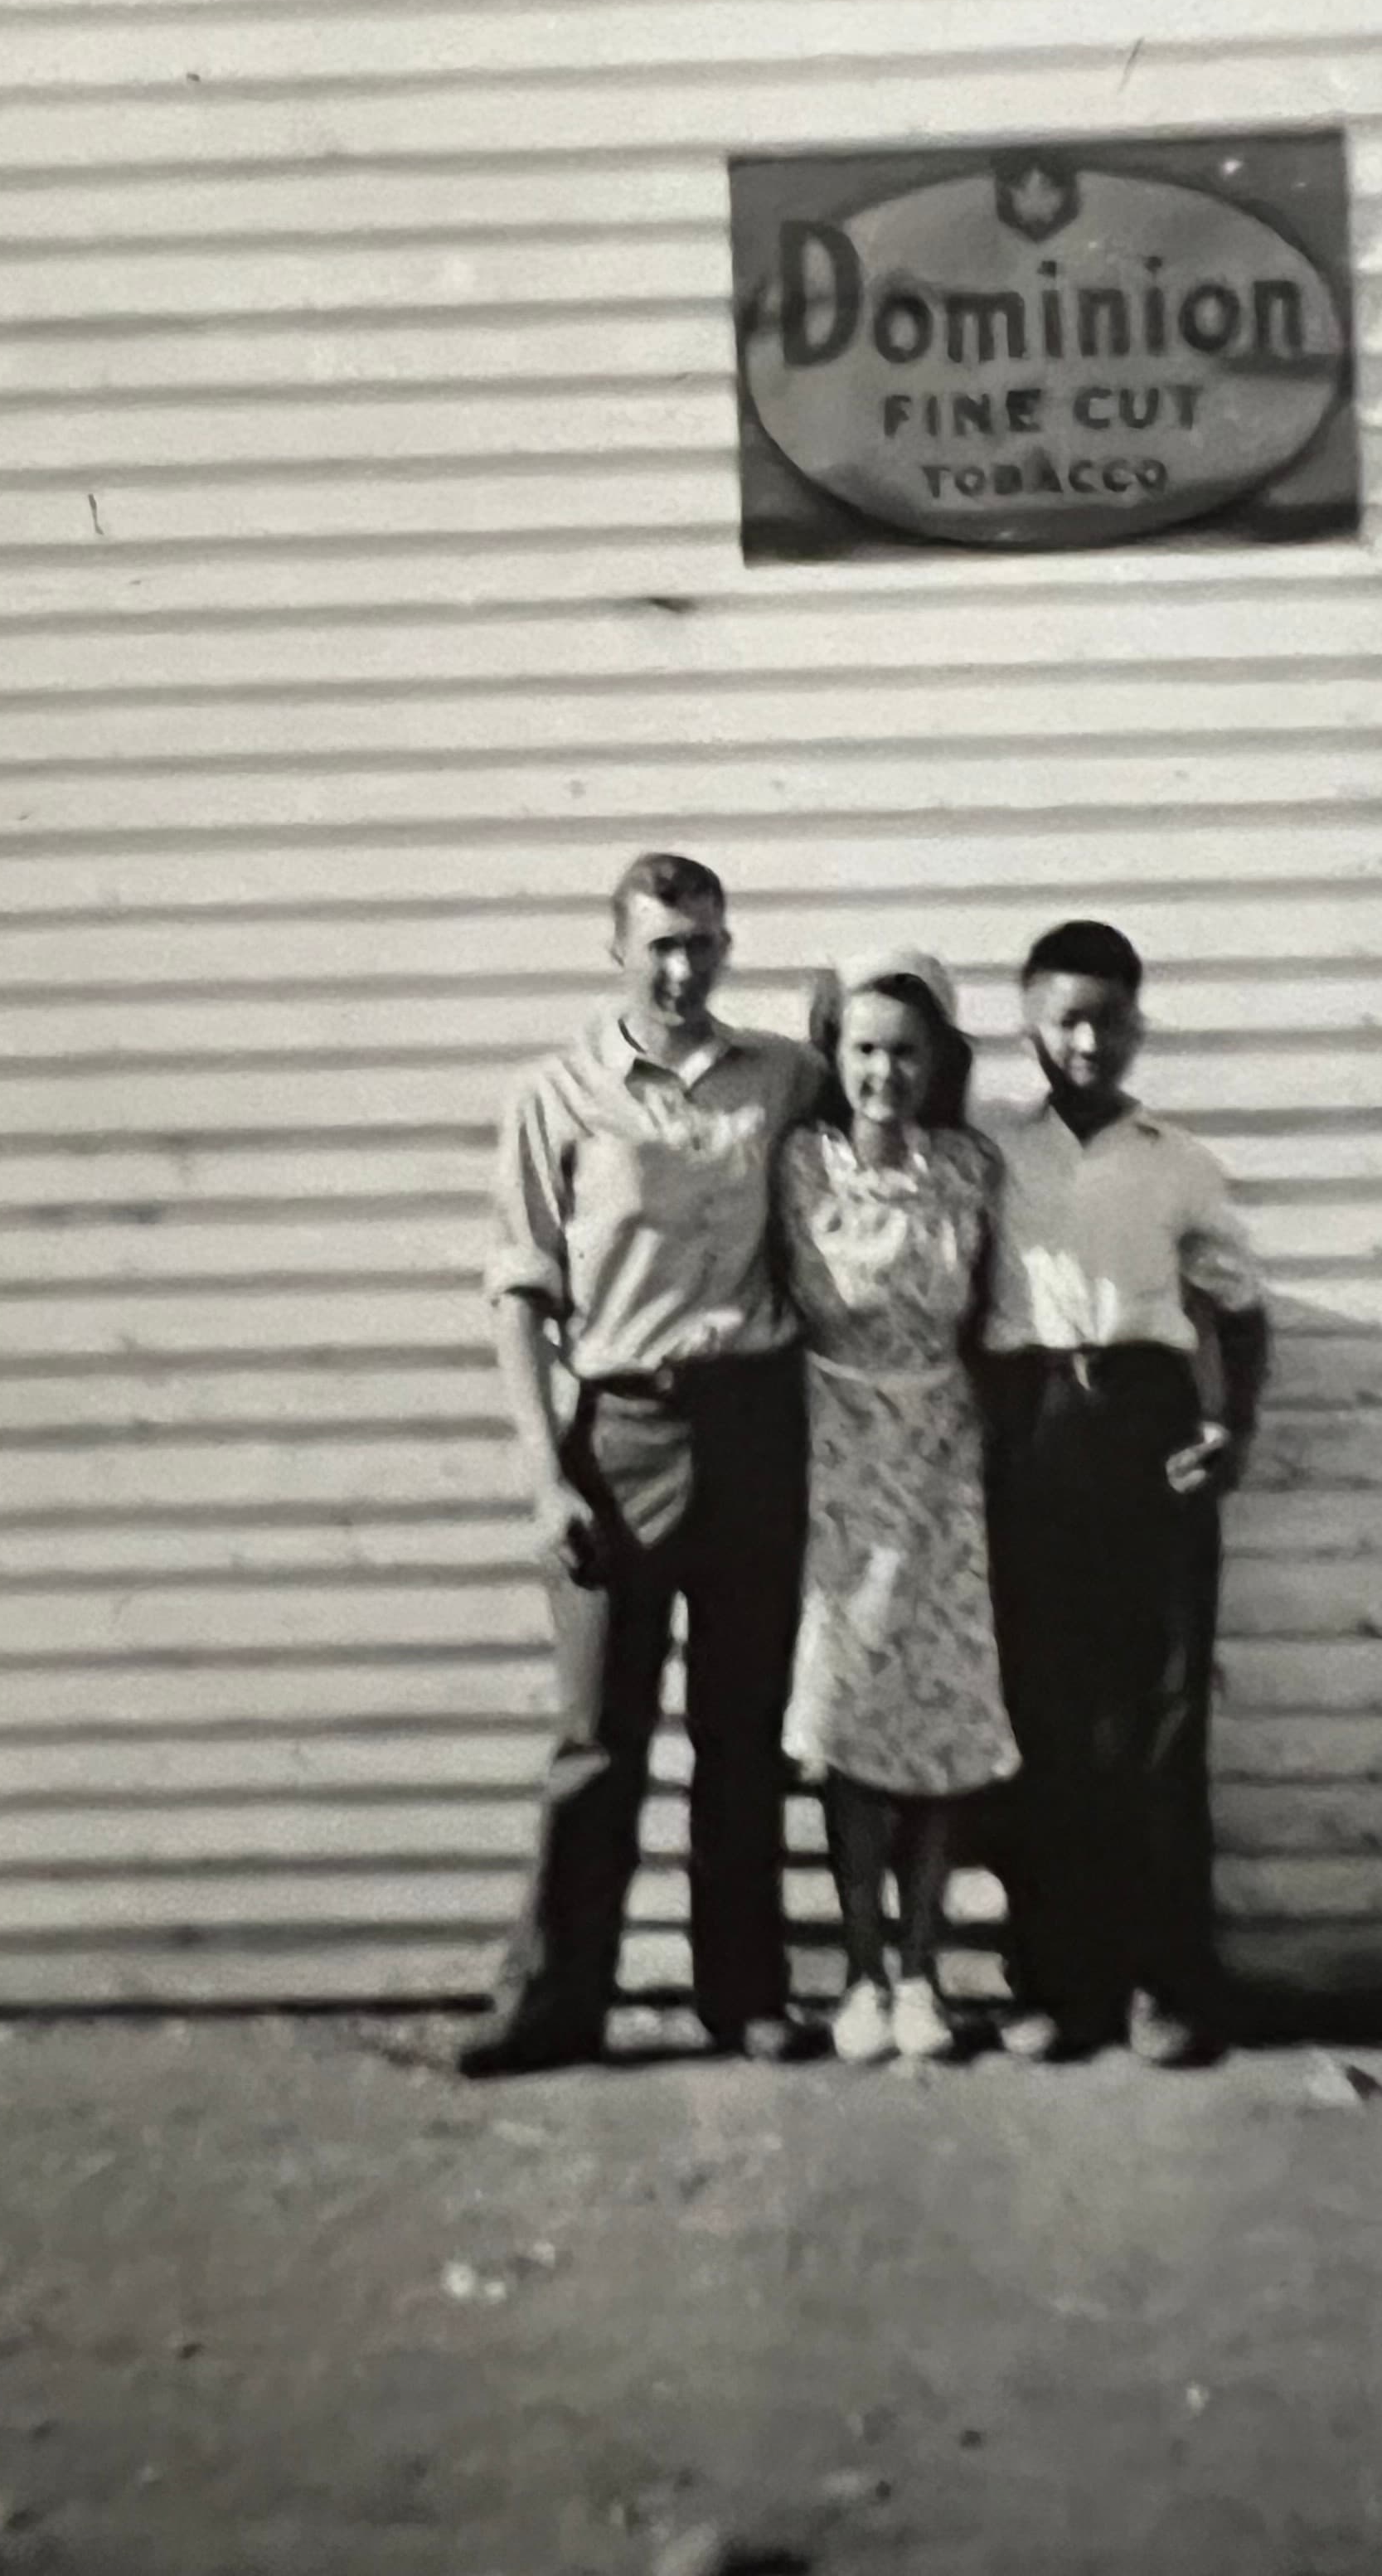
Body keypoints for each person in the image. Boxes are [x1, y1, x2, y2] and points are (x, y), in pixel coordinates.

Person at [461, 852, 825, 2076]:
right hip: (619, 1430)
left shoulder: (785, 1078)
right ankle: (555, 2004)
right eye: (662, 943)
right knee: (598, 1741)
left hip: (757, 1429)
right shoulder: (556, 1096)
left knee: (742, 1730)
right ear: (614, 945)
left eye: (706, 942)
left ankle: (747, 1994)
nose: (685, 968)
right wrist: (543, 1475)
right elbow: (519, 1299)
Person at [979, 919, 1271, 2068]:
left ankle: (1167, 1983)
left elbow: (1238, 1308)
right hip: (1029, 1428)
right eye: (1066, 1019)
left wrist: (1229, 1427)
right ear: (1029, 1026)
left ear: (1139, 1024)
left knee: (1159, 1717)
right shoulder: (987, 1148)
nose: (1088, 1041)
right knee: (1044, 1719)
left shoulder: (1177, 1160)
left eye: (1109, 1019)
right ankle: (1059, 1983)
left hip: (1146, 1429)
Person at [776, 951, 1019, 2067]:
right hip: (835, 1458)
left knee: (942, 1711)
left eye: (907, 1051)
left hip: (942, 1457)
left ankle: (923, 1970)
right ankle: (861, 1972)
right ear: (836, 1055)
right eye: (866, 1049)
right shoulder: (798, 1169)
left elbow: (999, 1316)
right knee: (853, 1721)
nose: (887, 1071)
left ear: (939, 1063)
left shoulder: (970, 1168)